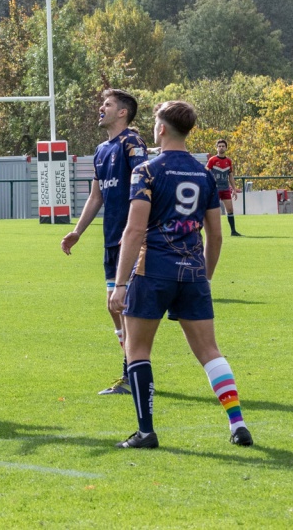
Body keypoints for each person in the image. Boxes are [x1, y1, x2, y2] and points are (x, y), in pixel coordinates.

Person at [108, 101, 252, 449]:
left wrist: (121, 283)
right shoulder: (204, 174)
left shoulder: (147, 170)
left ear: (161, 129)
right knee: (210, 351)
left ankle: (146, 432)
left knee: (137, 350)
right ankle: (238, 423)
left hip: (152, 271)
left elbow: (134, 230)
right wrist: (206, 277)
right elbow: (215, 236)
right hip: (193, 273)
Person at [60, 89, 147, 395]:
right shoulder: (101, 150)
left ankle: (132, 374)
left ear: (122, 112)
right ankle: (133, 367)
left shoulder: (132, 143)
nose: (101, 108)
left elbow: (145, 185)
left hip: (131, 237)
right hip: (111, 238)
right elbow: (96, 196)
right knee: (113, 305)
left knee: (125, 305)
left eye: (107, 104)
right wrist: (77, 231)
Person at [206, 140, 242, 237]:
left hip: (225, 189)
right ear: (217, 148)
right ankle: (211, 232)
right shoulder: (212, 160)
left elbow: (230, 176)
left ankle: (233, 231)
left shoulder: (228, 161)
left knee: (230, 209)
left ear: (226, 148)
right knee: (213, 211)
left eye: (223, 146)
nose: (221, 147)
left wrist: (234, 189)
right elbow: (206, 173)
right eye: (219, 146)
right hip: (215, 189)